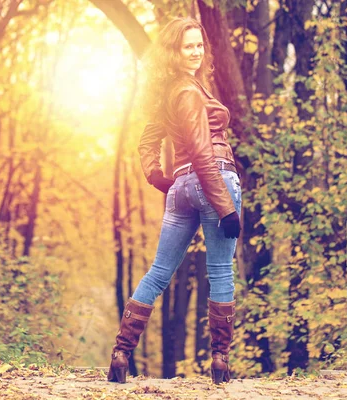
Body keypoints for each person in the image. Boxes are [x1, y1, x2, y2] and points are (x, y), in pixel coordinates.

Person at [107, 17, 242, 385]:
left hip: (183, 186)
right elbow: (202, 152)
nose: (197, 51)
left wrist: (160, 178)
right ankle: (220, 362)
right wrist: (225, 207)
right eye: (188, 46)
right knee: (220, 272)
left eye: (199, 45)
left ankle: (121, 352)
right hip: (214, 178)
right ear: (174, 52)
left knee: (158, 273)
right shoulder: (188, 92)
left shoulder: (168, 92)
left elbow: (147, 143)